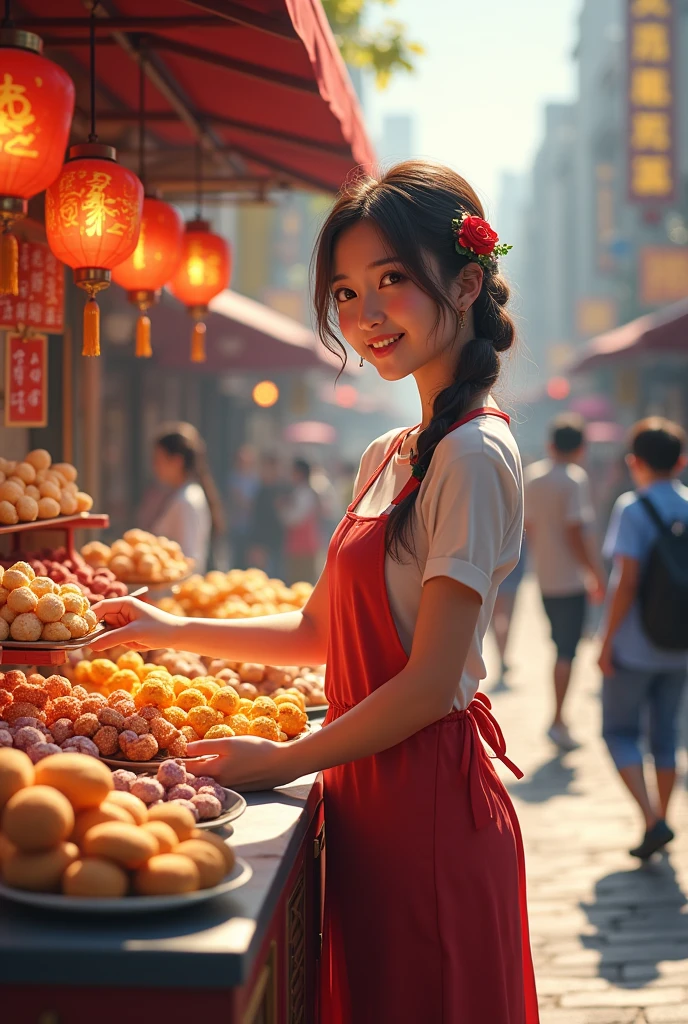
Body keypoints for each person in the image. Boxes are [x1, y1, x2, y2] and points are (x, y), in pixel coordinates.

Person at [93, 161, 539, 1023]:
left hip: (431, 817)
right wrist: (167, 624)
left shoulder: (476, 458)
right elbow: (316, 632)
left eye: (391, 281)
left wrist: (285, 759)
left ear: (468, 282)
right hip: (363, 799)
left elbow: (433, 679)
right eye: (343, 292)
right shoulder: (388, 453)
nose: (364, 315)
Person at [599, 418, 688, 860]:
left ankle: (652, 819)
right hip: (679, 647)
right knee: (667, 736)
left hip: (635, 645)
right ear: (681, 461)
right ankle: (664, 817)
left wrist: (605, 641)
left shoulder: (632, 509)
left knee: (619, 730)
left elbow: (625, 582)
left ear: (635, 462)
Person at [524, 415, 606, 752]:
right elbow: (576, 532)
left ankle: (559, 718)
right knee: (566, 651)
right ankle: (558, 719)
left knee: (561, 647)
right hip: (570, 580)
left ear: (551, 444)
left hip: (545, 575)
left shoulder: (533, 477)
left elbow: (527, 527)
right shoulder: (573, 479)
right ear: (580, 448)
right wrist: (595, 573)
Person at [150, 423, 224, 574]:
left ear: (177, 461)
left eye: (159, 459)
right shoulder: (184, 495)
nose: (155, 466)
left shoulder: (186, 500)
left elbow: (189, 558)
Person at [490, 537, 527, 688]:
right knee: (505, 619)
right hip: (510, 572)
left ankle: (501, 658)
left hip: (495, 571)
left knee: (496, 619)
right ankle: (502, 658)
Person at [281, 458, 321, 585]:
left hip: (303, 546)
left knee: (302, 583)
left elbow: (294, 519)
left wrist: (282, 509)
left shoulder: (305, 493)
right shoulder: (300, 491)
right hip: (299, 545)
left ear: (300, 473)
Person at [246, 454, 286, 578]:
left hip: (277, 542)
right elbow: (256, 518)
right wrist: (255, 543)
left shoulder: (282, 489)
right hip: (262, 542)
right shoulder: (261, 491)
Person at [227, 445, 260, 570]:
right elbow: (236, 499)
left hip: (251, 524)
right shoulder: (233, 478)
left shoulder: (254, 478)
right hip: (237, 523)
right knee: (237, 556)